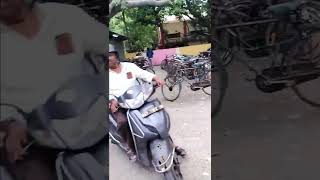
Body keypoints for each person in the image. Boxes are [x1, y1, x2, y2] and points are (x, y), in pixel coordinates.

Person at [0, 0, 108, 179]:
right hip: (38, 142)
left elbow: (106, 46)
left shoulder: (66, 17)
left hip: (97, 122)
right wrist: (10, 124)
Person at [108, 50, 165, 161]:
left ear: (116, 57)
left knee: (156, 113)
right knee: (122, 122)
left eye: (109, 56)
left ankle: (168, 142)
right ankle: (130, 147)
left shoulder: (129, 67)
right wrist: (112, 100)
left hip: (138, 98)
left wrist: (156, 78)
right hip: (121, 104)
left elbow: (144, 74)